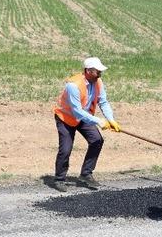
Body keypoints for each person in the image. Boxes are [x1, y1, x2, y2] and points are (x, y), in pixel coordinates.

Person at [52, 57, 121, 192]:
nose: (100, 74)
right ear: (88, 71)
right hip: (66, 118)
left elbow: (103, 102)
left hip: (84, 117)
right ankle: (59, 179)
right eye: (98, 71)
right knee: (65, 149)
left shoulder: (98, 82)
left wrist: (111, 119)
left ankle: (86, 174)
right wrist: (99, 121)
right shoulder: (73, 85)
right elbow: (77, 112)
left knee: (97, 140)